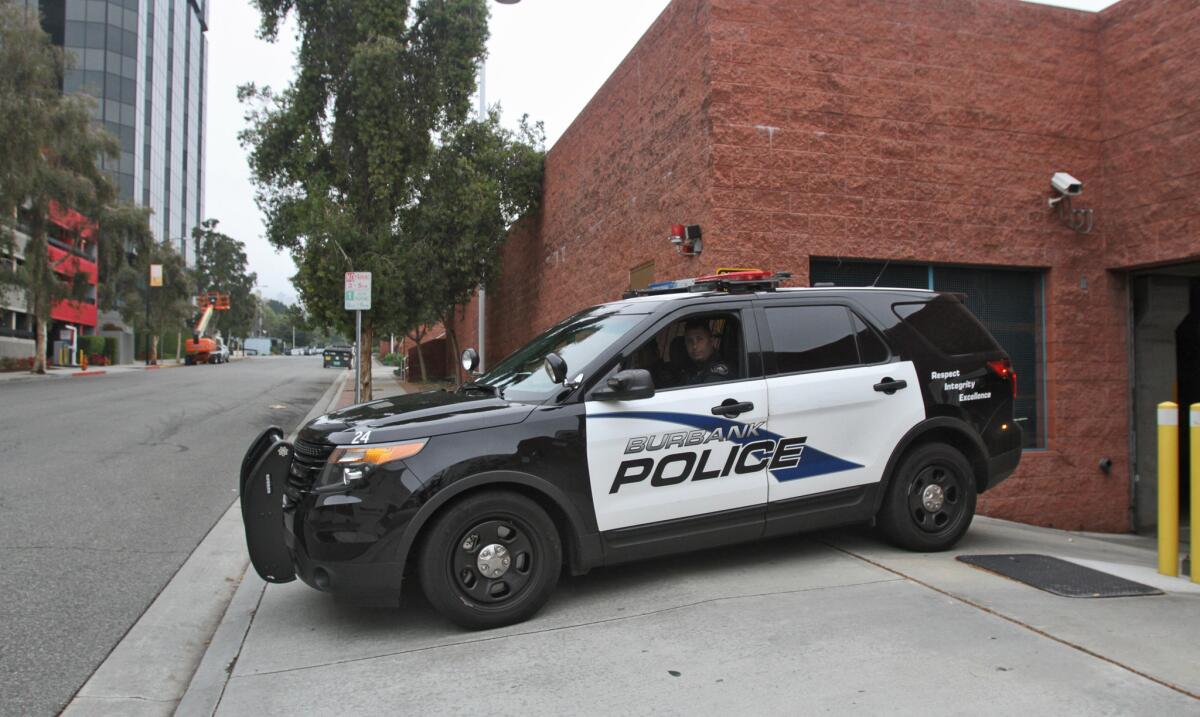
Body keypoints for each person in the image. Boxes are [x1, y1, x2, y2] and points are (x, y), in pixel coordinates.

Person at [682, 319, 731, 385]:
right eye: (690, 341)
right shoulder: (689, 368)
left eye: (699, 339)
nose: (694, 346)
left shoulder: (717, 373)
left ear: (711, 341)